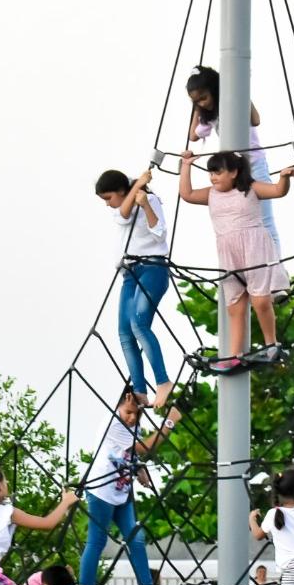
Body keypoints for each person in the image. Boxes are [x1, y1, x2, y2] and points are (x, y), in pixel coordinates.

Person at [179, 149, 294, 370]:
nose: (213, 177)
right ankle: (235, 354)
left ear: (233, 172)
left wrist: (284, 177)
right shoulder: (212, 193)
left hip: (254, 248)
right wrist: (185, 166)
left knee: (260, 301)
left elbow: (279, 191)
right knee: (235, 306)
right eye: (210, 173)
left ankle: (271, 345)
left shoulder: (250, 188)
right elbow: (187, 194)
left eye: (218, 172)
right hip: (228, 251)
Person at [78, 388, 180, 585]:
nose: (133, 417)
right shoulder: (114, 422)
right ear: (124, 399)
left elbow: (127, 455)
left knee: (136, 539)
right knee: (96, 541)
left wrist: (138, 469)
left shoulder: (133, 426)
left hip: (120, 491)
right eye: (130, 412)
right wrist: (169, 423)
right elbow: (144, 448)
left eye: (138, 413)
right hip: (102, 491)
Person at [97, 168, 174, 410]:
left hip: (152, 268)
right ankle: (139, 390)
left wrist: (145, 202)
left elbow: (160, 234)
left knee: (139, 323)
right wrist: (137, 185)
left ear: (121, 191)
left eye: (109, 198)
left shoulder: (149, 200)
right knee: (124, 333)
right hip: (130, 273)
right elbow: (122, 215)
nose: (108, 205)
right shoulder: (123, 210)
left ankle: (163, 381)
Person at [186, 64, 280, 251]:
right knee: (240, 221)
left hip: (254, 163)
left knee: (264, 218)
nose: (202, 103)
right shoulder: (209, 115)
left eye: (204, 97)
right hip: (233, 170)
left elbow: (256, 120)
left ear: (215, 89)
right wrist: (197, 108)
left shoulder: (234, 100)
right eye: (197, 101)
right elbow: (193, 136)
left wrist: (242, 91)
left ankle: (275, 263)